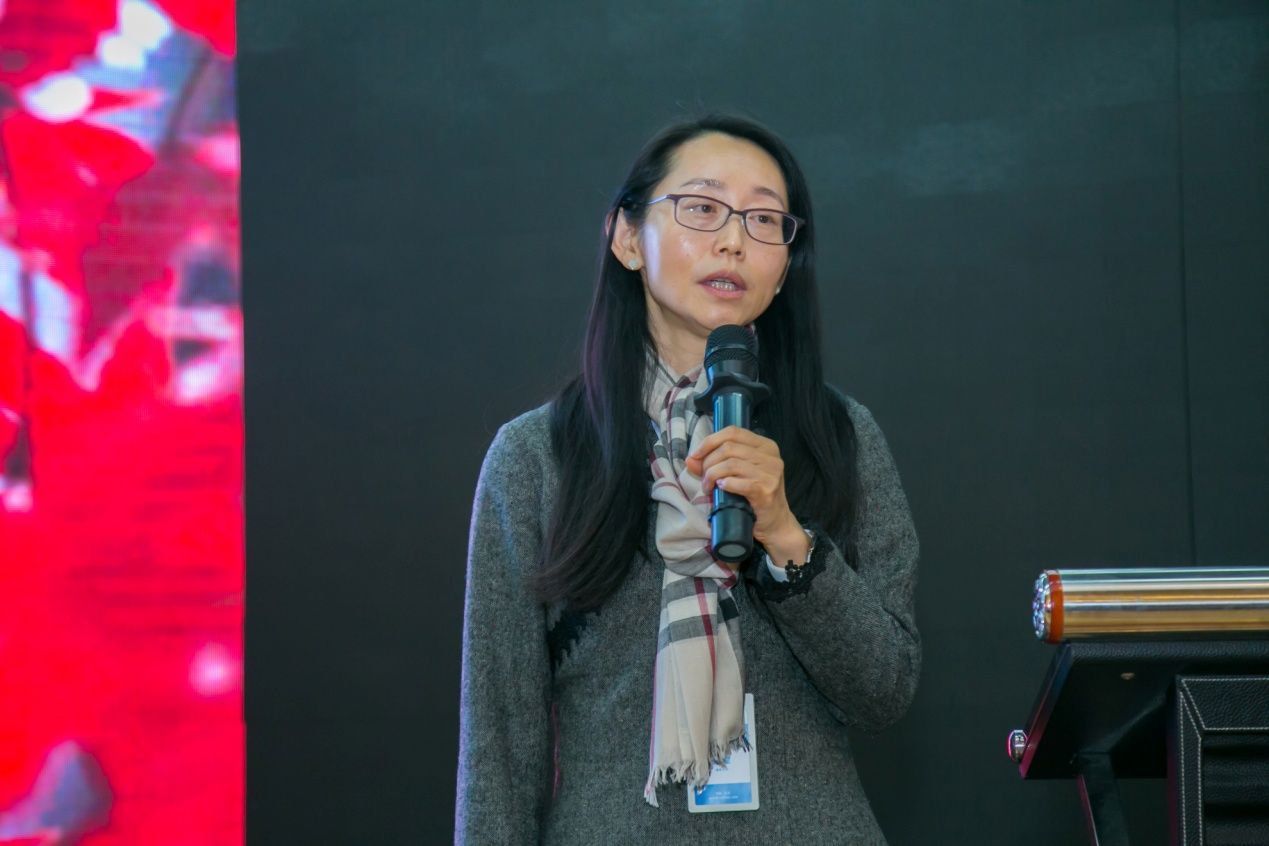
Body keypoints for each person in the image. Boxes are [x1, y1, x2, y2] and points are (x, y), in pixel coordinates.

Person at [456, 114, 920, 845]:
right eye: (702, 207)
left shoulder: (839, 436)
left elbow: (884, 691)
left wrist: (785, 535)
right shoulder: (537, 457)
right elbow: (499, 748)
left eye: (763, 220)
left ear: (783, 267)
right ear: (625, 238)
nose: (733, 240)